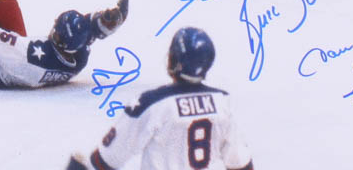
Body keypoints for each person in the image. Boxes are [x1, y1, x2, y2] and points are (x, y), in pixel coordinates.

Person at [67, 27, 254, 170]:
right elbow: (240, 164)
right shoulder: (222, 101)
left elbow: (107, 159)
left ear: (174, 60)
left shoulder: (151, 104)